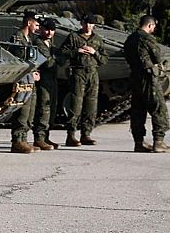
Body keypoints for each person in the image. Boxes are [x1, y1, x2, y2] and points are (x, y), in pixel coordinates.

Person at [124, 14, 170, 153]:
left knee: (138, 110)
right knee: (158, 108)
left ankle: (139, 142)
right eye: (153, 27)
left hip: (135, 77)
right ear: (150, 25)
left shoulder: (130, 39)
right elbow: (157, 56)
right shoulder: (147, 38)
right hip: (148, 77)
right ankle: (159, 141)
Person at [61, 14, 107, 146]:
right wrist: (76, 51)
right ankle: (71, 135)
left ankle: (86, 134)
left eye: (90, 23)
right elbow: (62, 52)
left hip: (92, 73)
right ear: (82, 24)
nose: (88, 26)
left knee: (91, 105)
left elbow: (104, 59)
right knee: (76, 105)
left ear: (94, 25)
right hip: (78, 72)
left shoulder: (97, 39)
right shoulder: (73, 37)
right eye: (86, 23)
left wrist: (94, 52)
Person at [10, 11, 43, 154]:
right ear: (29, 23)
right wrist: (30, 72)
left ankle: (24, 139)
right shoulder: (17, 39)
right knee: (22, 111)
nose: (37, 27)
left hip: (29, 79)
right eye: (36, 24)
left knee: (30, 111)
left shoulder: (28, 39)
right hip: (22, 80)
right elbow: (17, 61)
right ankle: (17, 141)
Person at [30, 17, 62, 151]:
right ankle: (39, 138)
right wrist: (58, 57)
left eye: (52, 30)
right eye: (47, 29)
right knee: (44, 108)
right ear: (41, 29)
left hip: (51, 78)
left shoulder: (49, 43)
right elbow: (48, 62)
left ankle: (45, 136)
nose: (49, 32)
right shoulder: (38, 43)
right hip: (43, 79)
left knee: (51, 108)